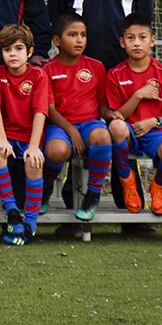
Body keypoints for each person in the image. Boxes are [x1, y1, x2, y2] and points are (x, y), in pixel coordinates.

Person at [47, 0, 155, 236]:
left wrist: (138, 54)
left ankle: (130, 211)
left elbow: (144, 15)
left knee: (122, 131)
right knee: (81, 131)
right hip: (80, 65)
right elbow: (57, 16)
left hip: (123, 65)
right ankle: (71, 206)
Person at [41, 13, 113, 221]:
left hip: (90, 124)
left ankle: (93, 195)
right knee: (56, 150)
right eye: (72, 35)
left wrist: (112, 115)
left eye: (83, 35)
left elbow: (102, 106)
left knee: (103, 136)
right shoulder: (47, 69)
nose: (79, 39)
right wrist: (71, 131)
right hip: (60, 126)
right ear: (57, 40)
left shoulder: (96, 67)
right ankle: (45, 190)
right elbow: (50, 109)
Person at [107, 13, 162, 217]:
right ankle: (127, 181)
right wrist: (138, 95)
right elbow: (118, 115)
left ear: (152, 41)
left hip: (156, 131)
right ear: (122, 42)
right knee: (116, 126)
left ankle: (158, 187)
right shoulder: (114, 74)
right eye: (131, 38)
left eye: (142, 37)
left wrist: (154, 122)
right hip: (128, 132)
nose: (137, 43)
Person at [0, 24, 49, 246]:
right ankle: (12, 211)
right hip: (7, 133)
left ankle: (31, 221)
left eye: (18, 48)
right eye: (7, 49)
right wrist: (1, 139)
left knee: (34, 161)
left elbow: (40, 112)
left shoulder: (38, 75)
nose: (12, 54)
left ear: (29, 52)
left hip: (29, 136)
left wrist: (34, 146)